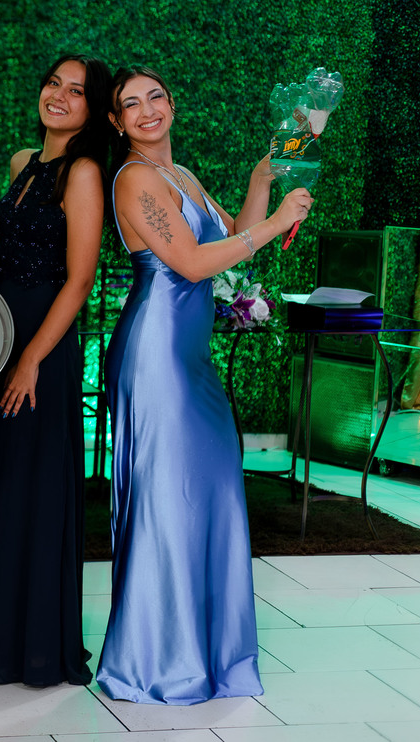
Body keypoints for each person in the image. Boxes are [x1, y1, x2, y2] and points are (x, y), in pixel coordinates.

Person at [96, 65, 312, 705]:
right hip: (156, 357)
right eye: (130, 104)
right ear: (116, 122)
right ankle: (157, 662)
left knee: (210, 493)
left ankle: (211, 654)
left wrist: (262, 181)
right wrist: (273, 223)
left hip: (191, 357)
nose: (146, 110)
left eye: (155, 97)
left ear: (172, 102)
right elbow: (191, 263)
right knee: (169, 500)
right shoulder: (133, 178)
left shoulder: (181, 174)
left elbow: (230, 237)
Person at [0, 53, 110, 687]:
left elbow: (79, 280)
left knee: (29, 483)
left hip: (42, 345)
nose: (59, 96)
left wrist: (30, 360)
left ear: (93, 109)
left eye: (76, 91)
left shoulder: (84, 172)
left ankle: (28, 646)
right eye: (53, 84)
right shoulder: (22, 161)